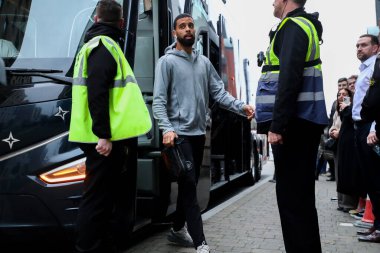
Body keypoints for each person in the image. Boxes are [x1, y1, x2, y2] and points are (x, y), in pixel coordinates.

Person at [152, 13, 254, 253]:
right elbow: (158, 101)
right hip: (178, 135)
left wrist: (241, 106)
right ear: (175, 32)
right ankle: (201, 243)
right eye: (182, 27)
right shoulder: (166, 63)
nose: (188, 29)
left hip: (198, 134)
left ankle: (177, 230)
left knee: (190, 183)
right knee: (189, 187)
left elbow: (219, 93)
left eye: (190, 26)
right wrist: (166, 129)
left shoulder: (204, 63)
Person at [69, 1, 152, 252]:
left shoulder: (98, 45)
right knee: (97, 200)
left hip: (106, 137)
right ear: (122, 23)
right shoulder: (104, 47)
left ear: (96, 19)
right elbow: (97, 93)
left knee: (105, 199)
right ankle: (87, 248)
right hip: (103, 140)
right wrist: (103, 136)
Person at [260, 0, 328, 252]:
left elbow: (289, 77)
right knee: (300, 202)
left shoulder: (293, 26)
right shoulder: (303, 25)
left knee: (293, 204)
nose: (273, 2)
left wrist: (277, 125)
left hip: (294, 126)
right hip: (301, 123)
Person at [355, 36, 380, 242]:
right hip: (360, 127)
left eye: (364, 45)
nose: (359, 48)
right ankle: (376, 225)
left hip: (369, 129)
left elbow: (377, 101)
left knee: (376, 180)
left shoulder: (375, 68)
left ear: (375, 47)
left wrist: (373, 128)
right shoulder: (365, 69)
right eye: (357, 45)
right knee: (370, 180)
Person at [329, 88, 358, 212]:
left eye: (344, 94)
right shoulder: (337, 109)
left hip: (348, 143)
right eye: (339, 94)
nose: (341, 96)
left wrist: (339, 132)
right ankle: (341, 202)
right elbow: (333, 124)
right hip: (338, 143)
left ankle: (348, 204)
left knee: (346, 172)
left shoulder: (350, 108)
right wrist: (332, 131)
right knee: (338, 172)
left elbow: (349, 124)